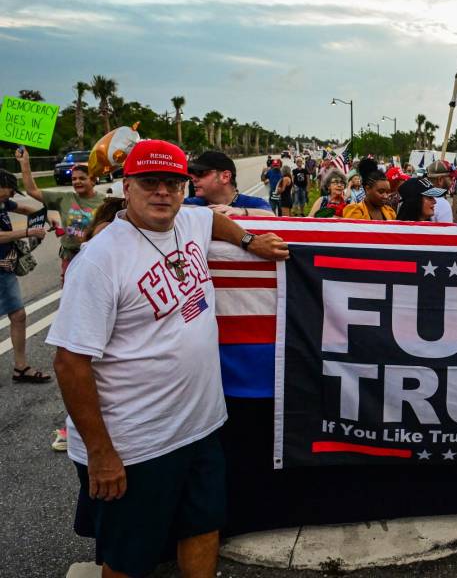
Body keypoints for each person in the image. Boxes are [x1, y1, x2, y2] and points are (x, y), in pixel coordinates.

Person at [46, 139, 289, 578]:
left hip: (201, 427)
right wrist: (101, 453)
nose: (162, 192)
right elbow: (70, 363)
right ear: (126, 186)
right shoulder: (101, 261)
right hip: (135, 444)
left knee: (203, 526)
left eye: (173, 183)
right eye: (150, 182)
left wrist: (250, 239)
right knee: (128, 556)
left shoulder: (189, 220)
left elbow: (214, 222)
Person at [17, 147, 105, 281]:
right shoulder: (65, 198)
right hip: (70, 258)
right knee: (70, 297)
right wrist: (25, 163)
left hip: (96, 259)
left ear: (93, 180)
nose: (77, 182)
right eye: (74, 179)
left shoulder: (105, 201)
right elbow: (31, 191)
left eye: (82, 178)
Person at [0, 169, 49, 383]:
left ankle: (21, 368)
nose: (11, 196)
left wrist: (43, 219)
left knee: (18, 315)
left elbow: (25, 208)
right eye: (10, 191)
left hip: (5, 269)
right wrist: (28, 232)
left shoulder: (3, 203)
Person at [186, 151, 273, 216]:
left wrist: (242, 212)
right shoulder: (192, 203)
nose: (193, 179)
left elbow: (271, 216)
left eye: (200, 173)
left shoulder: (254, 204)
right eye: (191, 174)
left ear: (225, 177)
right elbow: (176, 208)